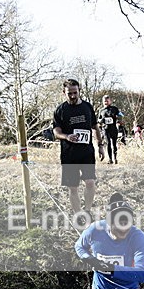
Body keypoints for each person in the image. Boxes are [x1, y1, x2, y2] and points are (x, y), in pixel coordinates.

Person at [75, 192, 144, 289]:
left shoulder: (138, 237)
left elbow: (143, 274)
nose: (124, 228)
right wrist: (89, 259)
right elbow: (79, 246)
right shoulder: (94, 230)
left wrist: (112, 270)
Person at [53, 79, 104, 215]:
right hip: (69, 154)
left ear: (79, 91)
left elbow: (95, 127)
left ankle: (87, 210)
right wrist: (67, 136)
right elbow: (56, 131)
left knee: (90, 182)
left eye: (75, 92)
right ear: (64, 93)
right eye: (69, 93)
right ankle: (78, 215)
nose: (73, 96)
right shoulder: (60, 110)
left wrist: (100, 145)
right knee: (73, 188)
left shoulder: (87, 107)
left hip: (86, 152)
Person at [99, 95, 122, 164]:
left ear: (110, 101)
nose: (106, 102)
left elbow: (121, 115)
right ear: (102, 102)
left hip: (113, 128)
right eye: (104, 101)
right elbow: (98, 119)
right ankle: (110, 159)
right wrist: (100, 121)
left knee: (114, 144)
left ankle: (115, 158)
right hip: (105, 129)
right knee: (108, 143)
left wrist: (118, 118)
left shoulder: (115, 108)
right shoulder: (101, 110)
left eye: (107, 101)